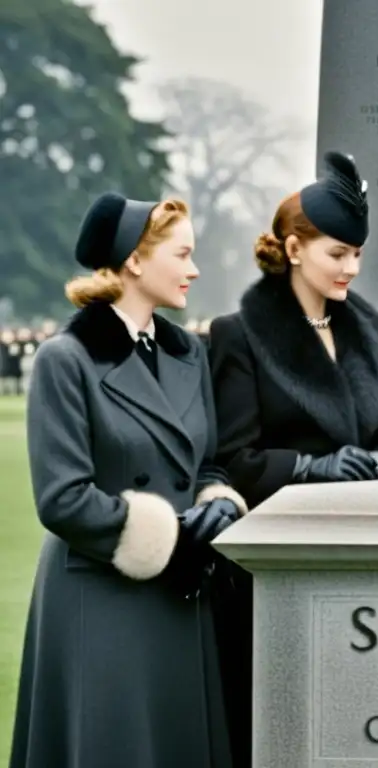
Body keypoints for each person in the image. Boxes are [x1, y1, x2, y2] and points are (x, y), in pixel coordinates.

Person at [10, 193, 247, 768]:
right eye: (183, 254)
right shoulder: (64, 359)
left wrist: (218, 503)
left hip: (183, 597)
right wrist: (173, 538)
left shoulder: (188, 352)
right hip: (102, 598)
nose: (195, 269)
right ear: (135, 261)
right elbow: (62, 498)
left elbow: (205, 461)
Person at [207, 151, 378, 768]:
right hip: (279, 562)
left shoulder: (377, 328)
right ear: (294, 249)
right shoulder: (238, 334)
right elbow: (232, 458)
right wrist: (309, 468)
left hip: (365, 557)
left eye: (356, 254)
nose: (352, 267)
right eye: (336, 253)